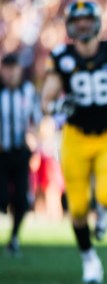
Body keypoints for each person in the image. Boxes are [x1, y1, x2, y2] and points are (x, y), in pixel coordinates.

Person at [41, 0, 107, 284]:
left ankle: (103, 214)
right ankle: (90, 261)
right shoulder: (61, 56)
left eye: (88, 19)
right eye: (78, 21)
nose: (83, 25)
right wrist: (56, 109)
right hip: (75, 136)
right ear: (70, 25)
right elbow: (46, 100)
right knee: (76, 208)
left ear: (97, 22)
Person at [0, 53, 42, 257]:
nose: (10, 74)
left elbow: (37, 121)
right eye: (7, 69)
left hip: (21, 153)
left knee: (22, 200)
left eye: (13, 69)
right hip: (1, 154)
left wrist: (33, 137)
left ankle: (14, 238)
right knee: (2, 196)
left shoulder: (28, 91)